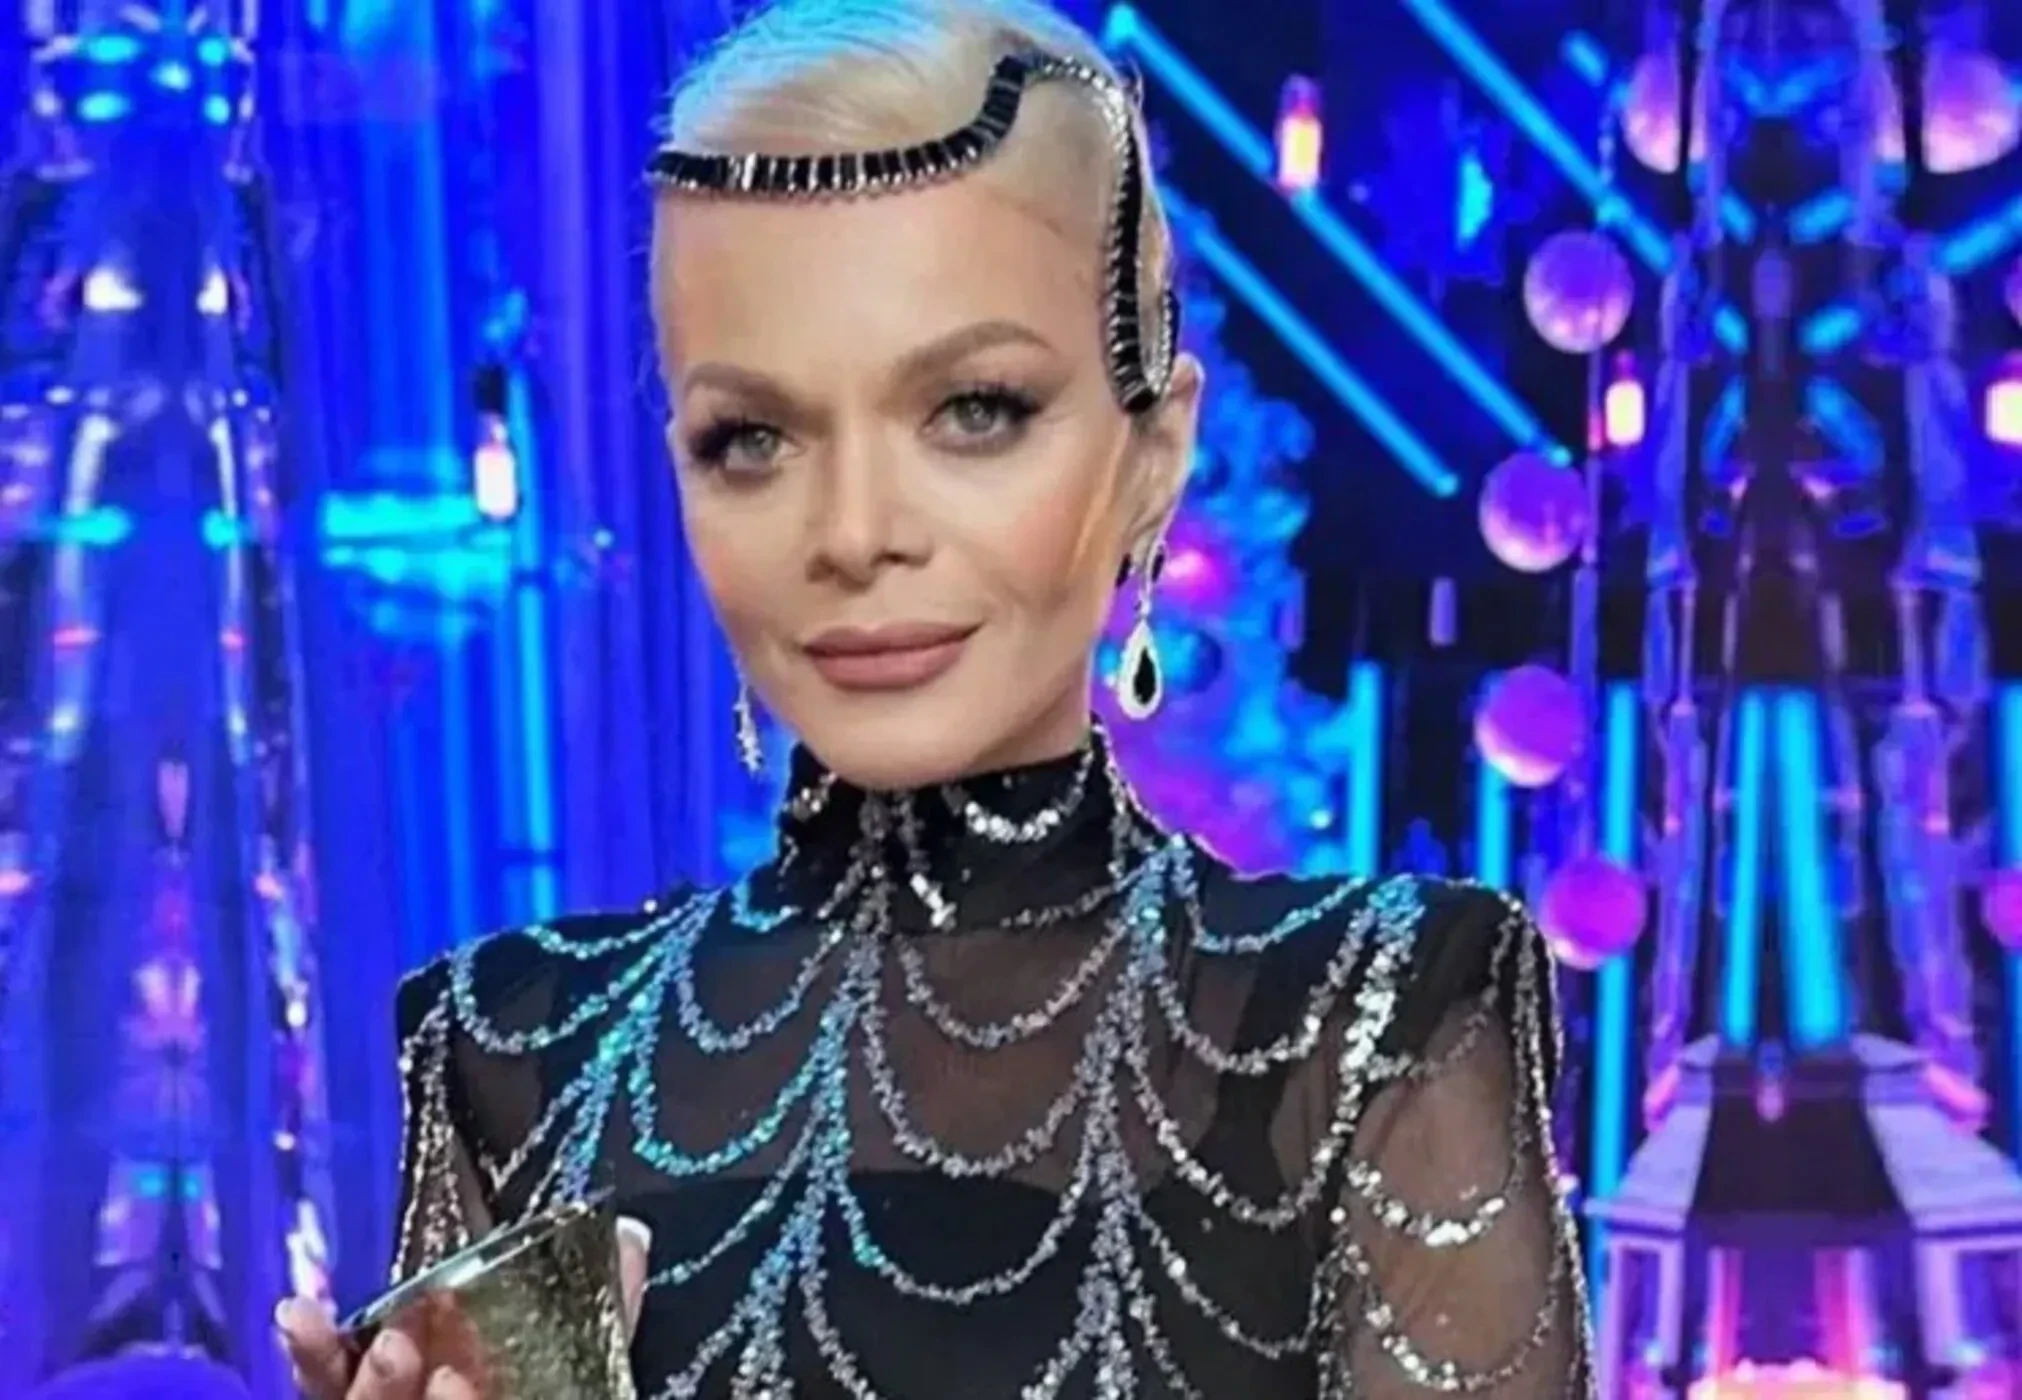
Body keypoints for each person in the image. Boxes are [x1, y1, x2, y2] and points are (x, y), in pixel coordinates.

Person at [279, 0, 1591, 1395]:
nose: (853, 533)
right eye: (751, 438)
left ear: (1154, 454)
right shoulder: (516, 1043)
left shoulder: (1381, 1013)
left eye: (973, 410)